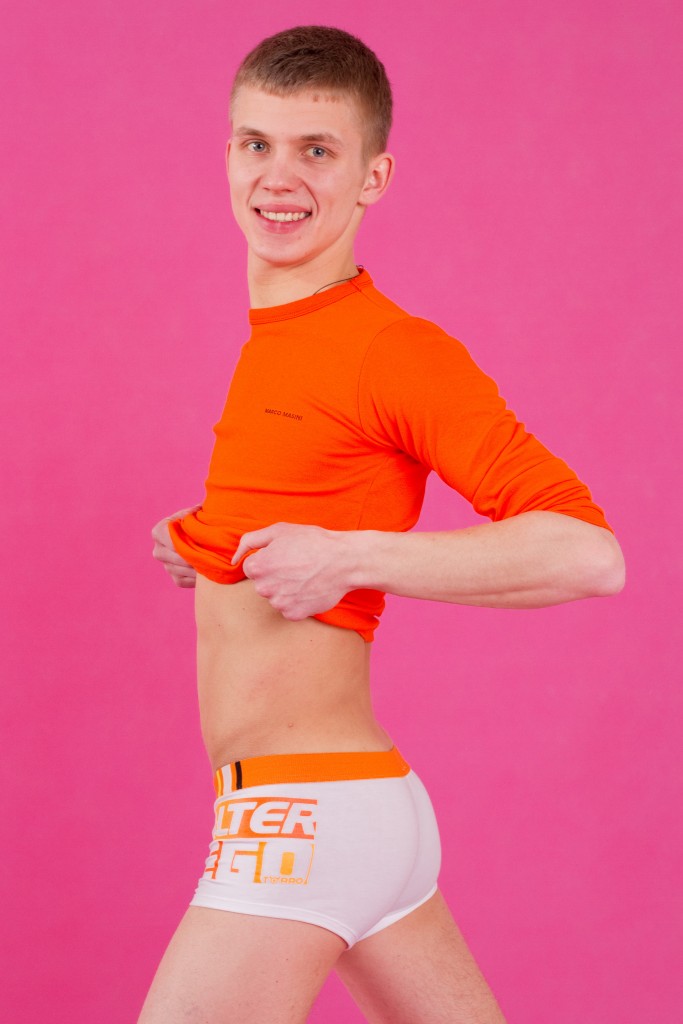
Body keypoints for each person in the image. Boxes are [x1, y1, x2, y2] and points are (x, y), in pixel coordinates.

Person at [139, 25, 624, 1024]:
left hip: (302, 811)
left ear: (372, 176)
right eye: (257, 143)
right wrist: (208, 546)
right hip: (352, 809)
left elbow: (586, 553)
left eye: (316, 149)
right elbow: (320, 492)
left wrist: (351, 557)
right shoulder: (275, 342)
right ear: (227, 154)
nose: (279, 177)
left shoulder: (387, 348)